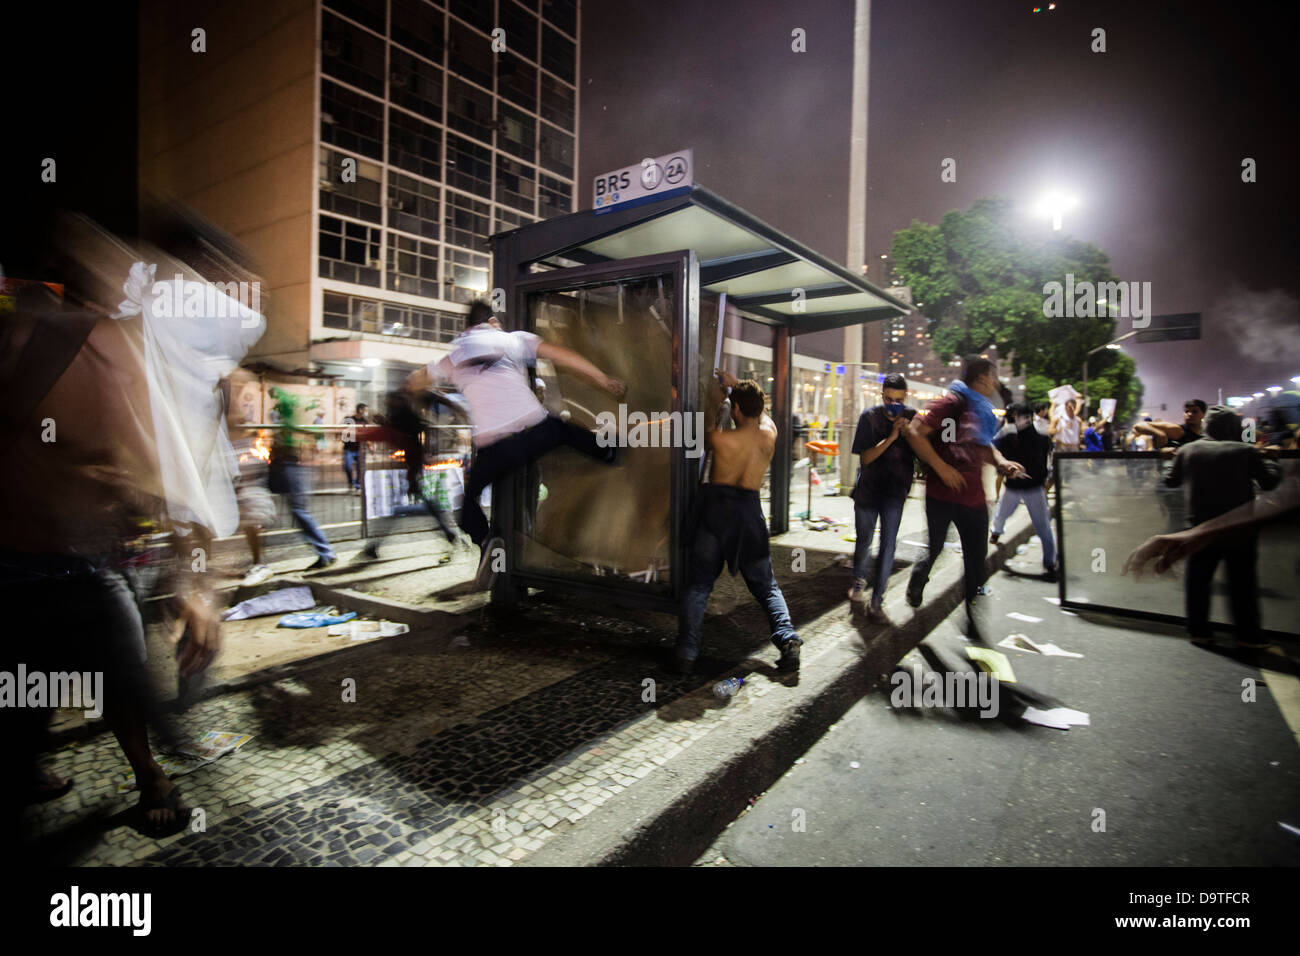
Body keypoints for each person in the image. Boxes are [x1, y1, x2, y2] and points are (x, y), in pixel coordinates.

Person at [1, 214, 262, 847]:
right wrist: (196, 585)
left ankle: (108, 772)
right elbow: (160, 478)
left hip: (52, 561)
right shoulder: (105, 348)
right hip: (66, 563)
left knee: (47, 681)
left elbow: (156, 473)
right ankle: (150, 777)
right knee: (113, 679)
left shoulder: (43, 335)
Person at [406, 300, 626, 589]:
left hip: (494, 448)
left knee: (468, 501)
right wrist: (604, 379)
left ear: (467, 326)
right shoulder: (512, 340)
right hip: (534, 431)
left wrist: (429, 395)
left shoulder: (453, 355)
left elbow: (414, 381)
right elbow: (563, 356)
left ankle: (487, 542)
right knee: (564, 431)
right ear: (492, 321)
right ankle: (611, 452)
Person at [677, 371, 801, 675]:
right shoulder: (768, 435)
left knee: (699, 586)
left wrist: (721, 394)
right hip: (749, 515)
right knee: (766, 587)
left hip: (716, 516)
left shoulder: (720, 440)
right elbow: (761, 415)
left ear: (735, 409)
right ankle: (787, 639)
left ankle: (687, 653)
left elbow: (696, 430)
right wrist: (737, 389)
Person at [903, 356, 1026, 638]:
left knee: (976, 559)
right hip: (941, 495)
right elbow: (914, 432)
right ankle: (919, 577)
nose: (995, 383)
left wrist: (1002, 462)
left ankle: (973, 616)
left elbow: (984, 446)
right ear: (981, 379)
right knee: (935, 547)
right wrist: (942, 467)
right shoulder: (950, 403)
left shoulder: (981, 410)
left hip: (973, 499)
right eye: (992, 377)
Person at [1159, 406, 1281, 649]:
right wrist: (1272, 460)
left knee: (1198, 580)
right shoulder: (1245, 451)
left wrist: (1167, 459)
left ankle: (1199, 632)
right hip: (1239, 528)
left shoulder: (1188, 450)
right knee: (1242, 582)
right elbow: (1268, 483)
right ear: (1233, 427)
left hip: (1200, 527)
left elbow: (1170, 481)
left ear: (1207, 425)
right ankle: (1248, 636)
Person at [846, 373, 916, 622]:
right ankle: (859, 581)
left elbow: (923, 453)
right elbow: (866, 458)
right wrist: (892, 437)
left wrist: (912, 434)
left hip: (895, 492)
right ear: (882, 396)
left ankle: (877, 601)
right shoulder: (869, 418)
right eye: (888, 399)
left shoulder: (913, 418)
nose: (893, 404)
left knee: (888, 545)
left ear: (906, 397)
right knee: (864, 540)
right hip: (869, 490)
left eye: (899, 400)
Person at [359, 390, 460, 560]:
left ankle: (374, 545)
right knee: (416, 505)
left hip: (410, 471)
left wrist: (351, 435)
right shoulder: (407, 423)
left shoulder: (399, 426)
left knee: (400, 509)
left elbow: (381, 434)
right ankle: (447, 531)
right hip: (411, 469)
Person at [267, 387, 337, 570]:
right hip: (287, 464)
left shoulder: (293, 417)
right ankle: (325, 552)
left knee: (298, 509)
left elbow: (302, 437)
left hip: (294, 464)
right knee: (292, 507)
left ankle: (326, 552)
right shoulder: (292, 417)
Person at [989, 403, 1058, 580]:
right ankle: (1050, 563)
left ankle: (1050, 562)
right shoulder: (1033, 438)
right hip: (1026, 487)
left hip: (1027, 488)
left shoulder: (1013, 437)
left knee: (1007, 515)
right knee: (1039, 525)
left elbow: (994, 448)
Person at [224, 369, 276, 587]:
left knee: (251, 516)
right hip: (231, 460)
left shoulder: (230, 408)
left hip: (241, 465)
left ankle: (259, 564)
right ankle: (198, 568)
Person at [1132, 399, 1206, 450]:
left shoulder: (1205, 435)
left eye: (1195, 411)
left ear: (1203, 414)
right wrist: (1158, 433)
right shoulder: (1177, 430)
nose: (1189, 414)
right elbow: (1138, 426)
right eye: (1186, 411)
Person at [342, 402, 369, 492]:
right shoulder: (349, 419)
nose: (366, 412)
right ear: (360, 410)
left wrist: (370, 444)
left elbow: (367, 435)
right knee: (347, 467)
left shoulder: (365, 421)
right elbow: (343, 433)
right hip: (349, 448)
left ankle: (358, 485)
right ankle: (350, 482)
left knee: (360, 468)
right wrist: (353, 433)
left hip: (360, 448)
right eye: (365, 410)